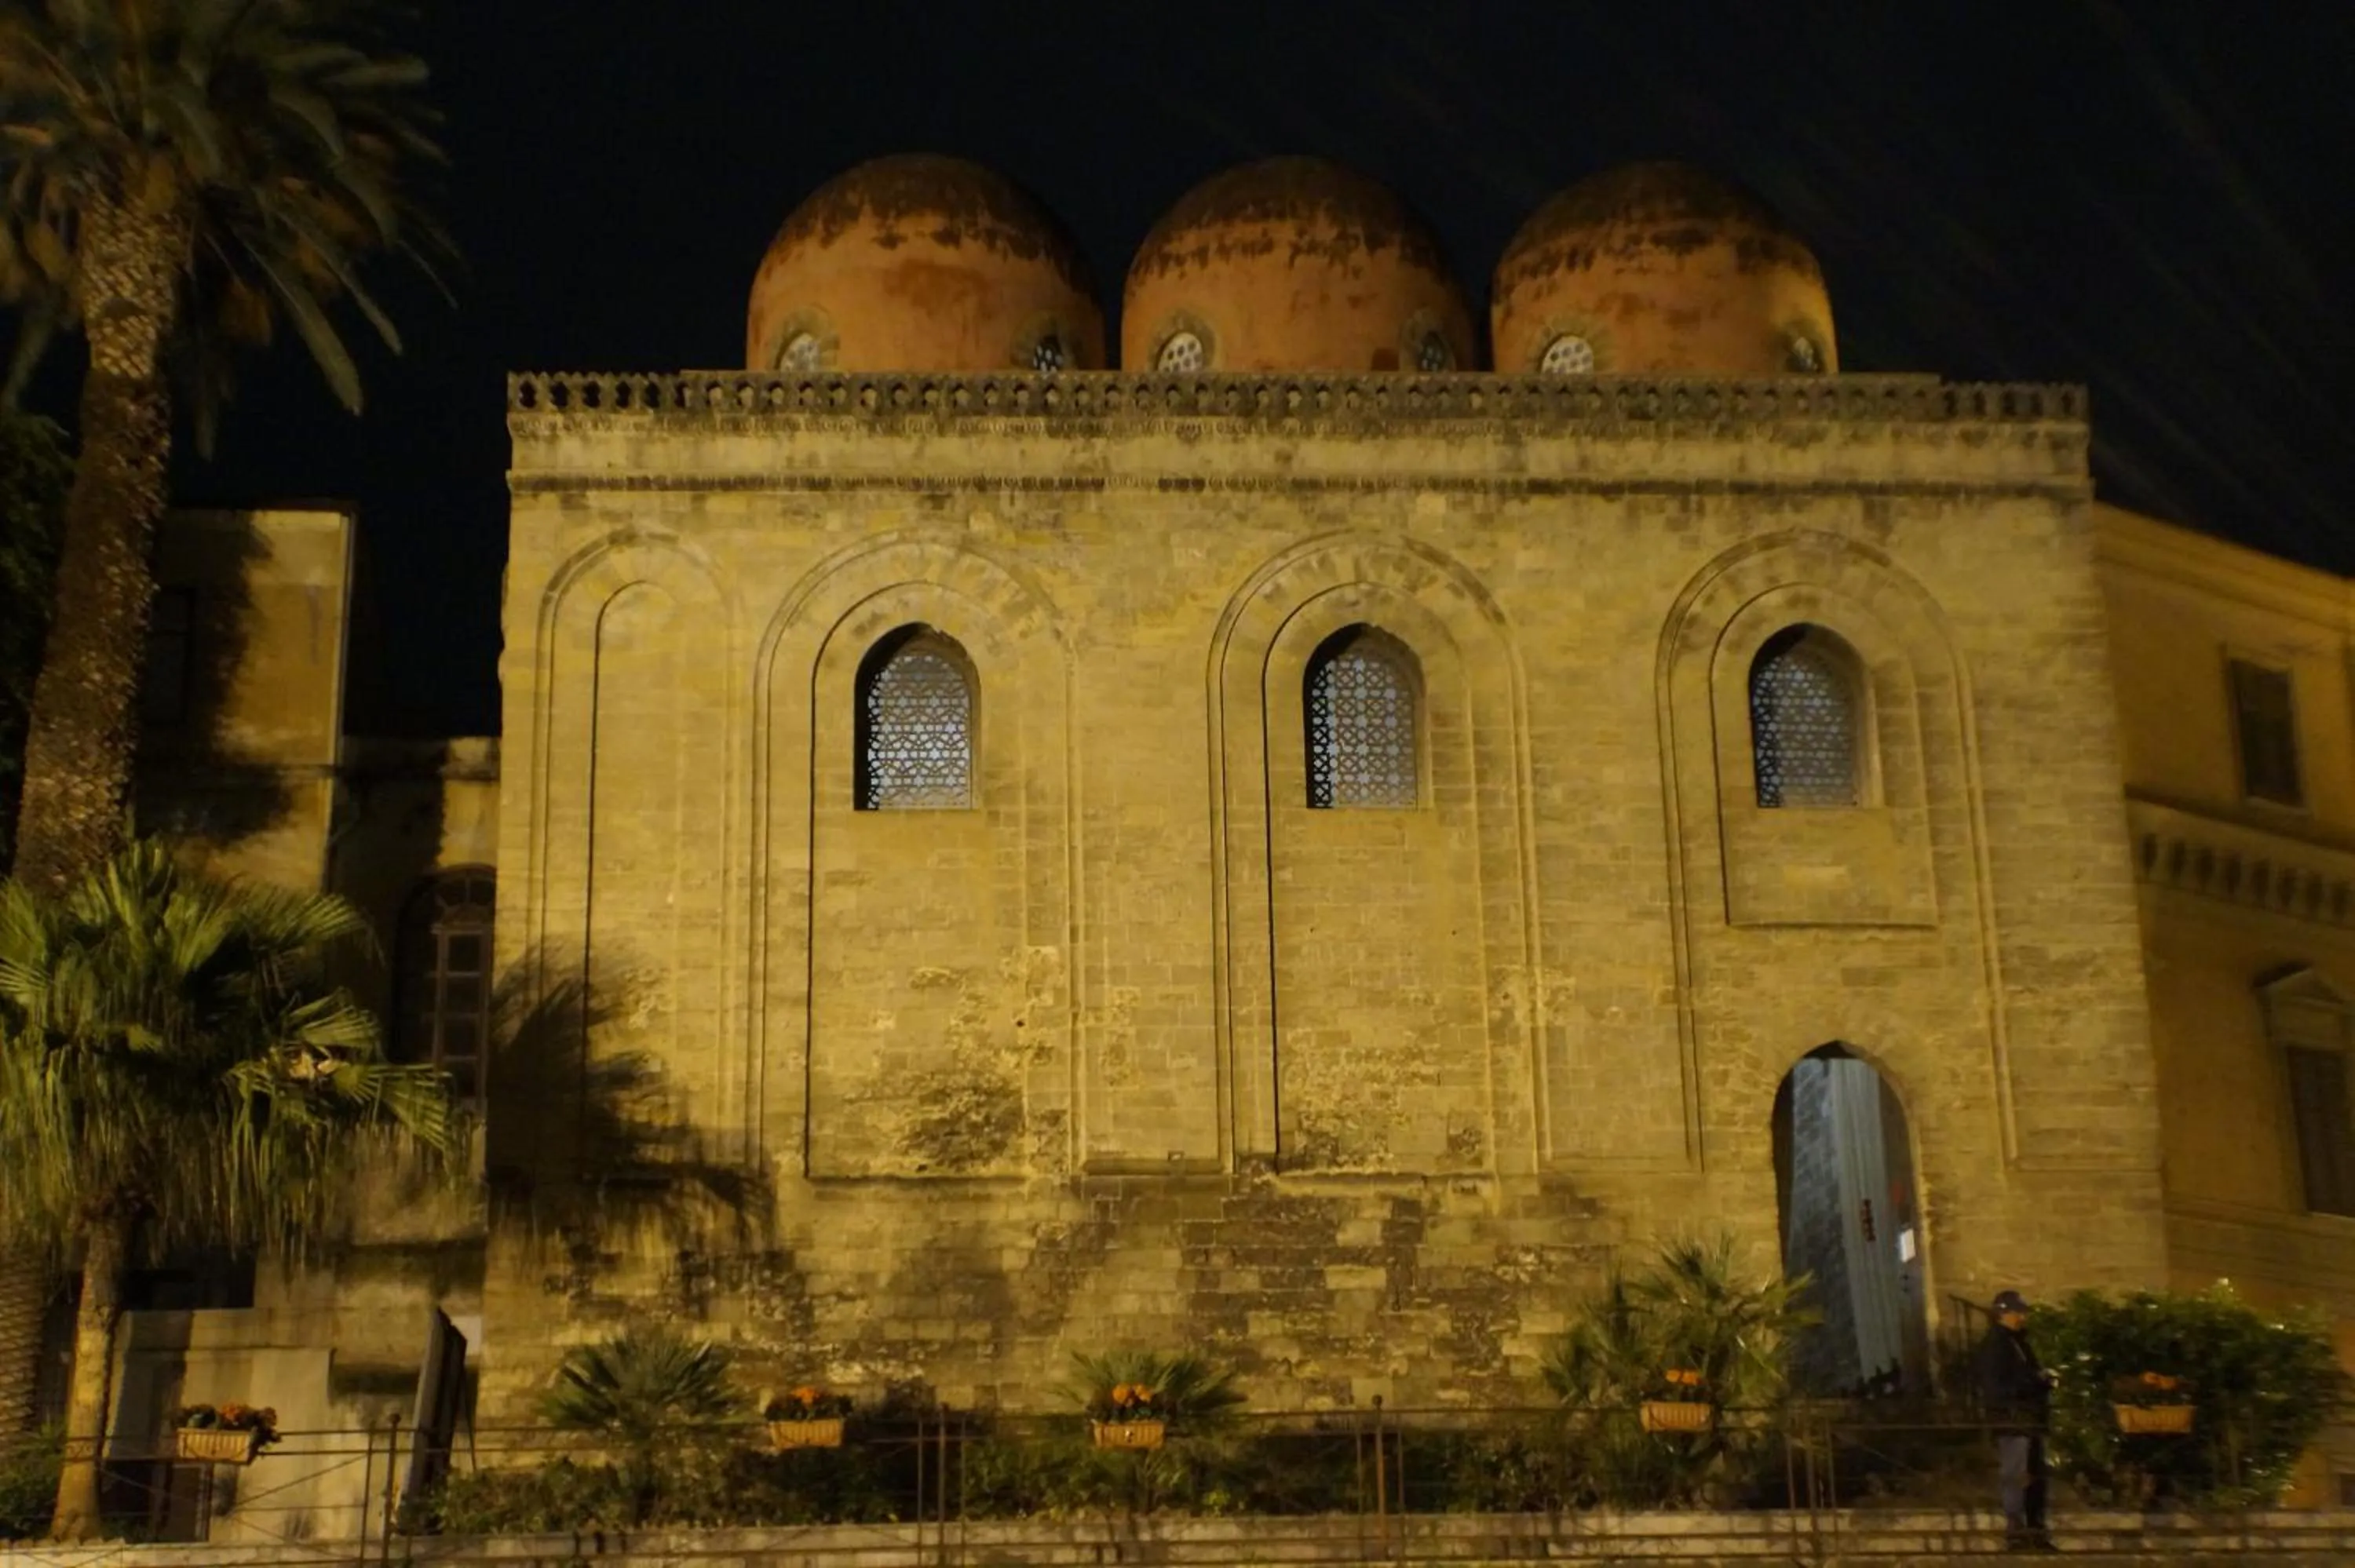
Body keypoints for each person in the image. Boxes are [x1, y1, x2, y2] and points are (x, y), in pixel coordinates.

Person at [1974, 1288, 2056, 1550]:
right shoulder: (1998, 1345)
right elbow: (1997, 1386)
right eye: (2017, 1313)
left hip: (2025, 1419)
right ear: (2004, 1314)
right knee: (2017, 1476)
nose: (2022, 1317)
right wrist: (2036, 1382)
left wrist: (2039, 1381)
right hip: (2013, 1420)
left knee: (2032, 1477)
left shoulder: (2015, 1342)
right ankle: (2018, 1532)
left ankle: (2033, 1531)